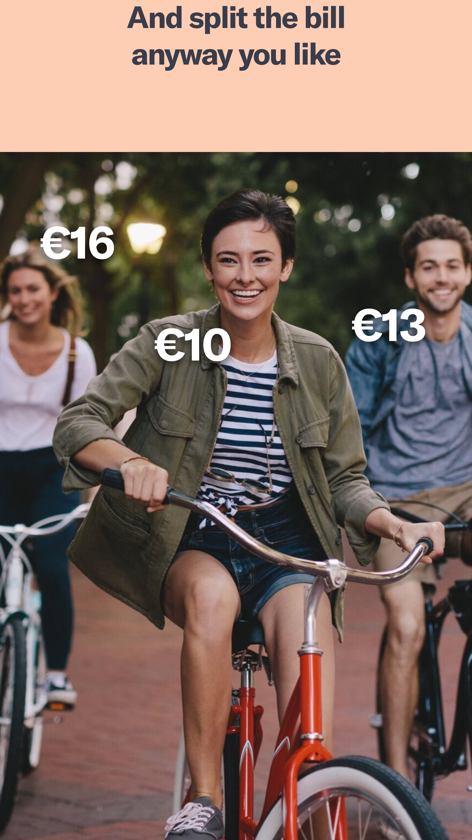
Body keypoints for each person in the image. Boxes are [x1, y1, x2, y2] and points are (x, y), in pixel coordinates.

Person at [53, 191, 443, 839]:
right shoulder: (168, 342)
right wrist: (127, 462)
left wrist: (387, 521)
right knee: (210, 601)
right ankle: (203, 801)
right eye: (228, 260)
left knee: (303, 651)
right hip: (196, 531)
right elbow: (80, 423)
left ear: (286, 266)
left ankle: (312, 802)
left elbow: (347, 478)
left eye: (262, 259)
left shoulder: (318, 360)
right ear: (208, 268)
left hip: (287, 540)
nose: (245, 275)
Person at [345, 213, 472, 780]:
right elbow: (348, 426)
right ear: (410, 277)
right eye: (429, 267)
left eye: (451, 265)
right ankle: (396, 785)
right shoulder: (380, 339)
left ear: (466, 273)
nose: (440, 277)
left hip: (466, 491)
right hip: (394, 497)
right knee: (407, 625)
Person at [0, 248, 97, 706]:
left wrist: (97, 492)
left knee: (54, 569)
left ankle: (55, 674)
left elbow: (88, 425)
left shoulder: (77, 353)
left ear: (52, 292)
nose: (24, 299)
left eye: (32, 289)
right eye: (15, 290)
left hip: (51, 472)